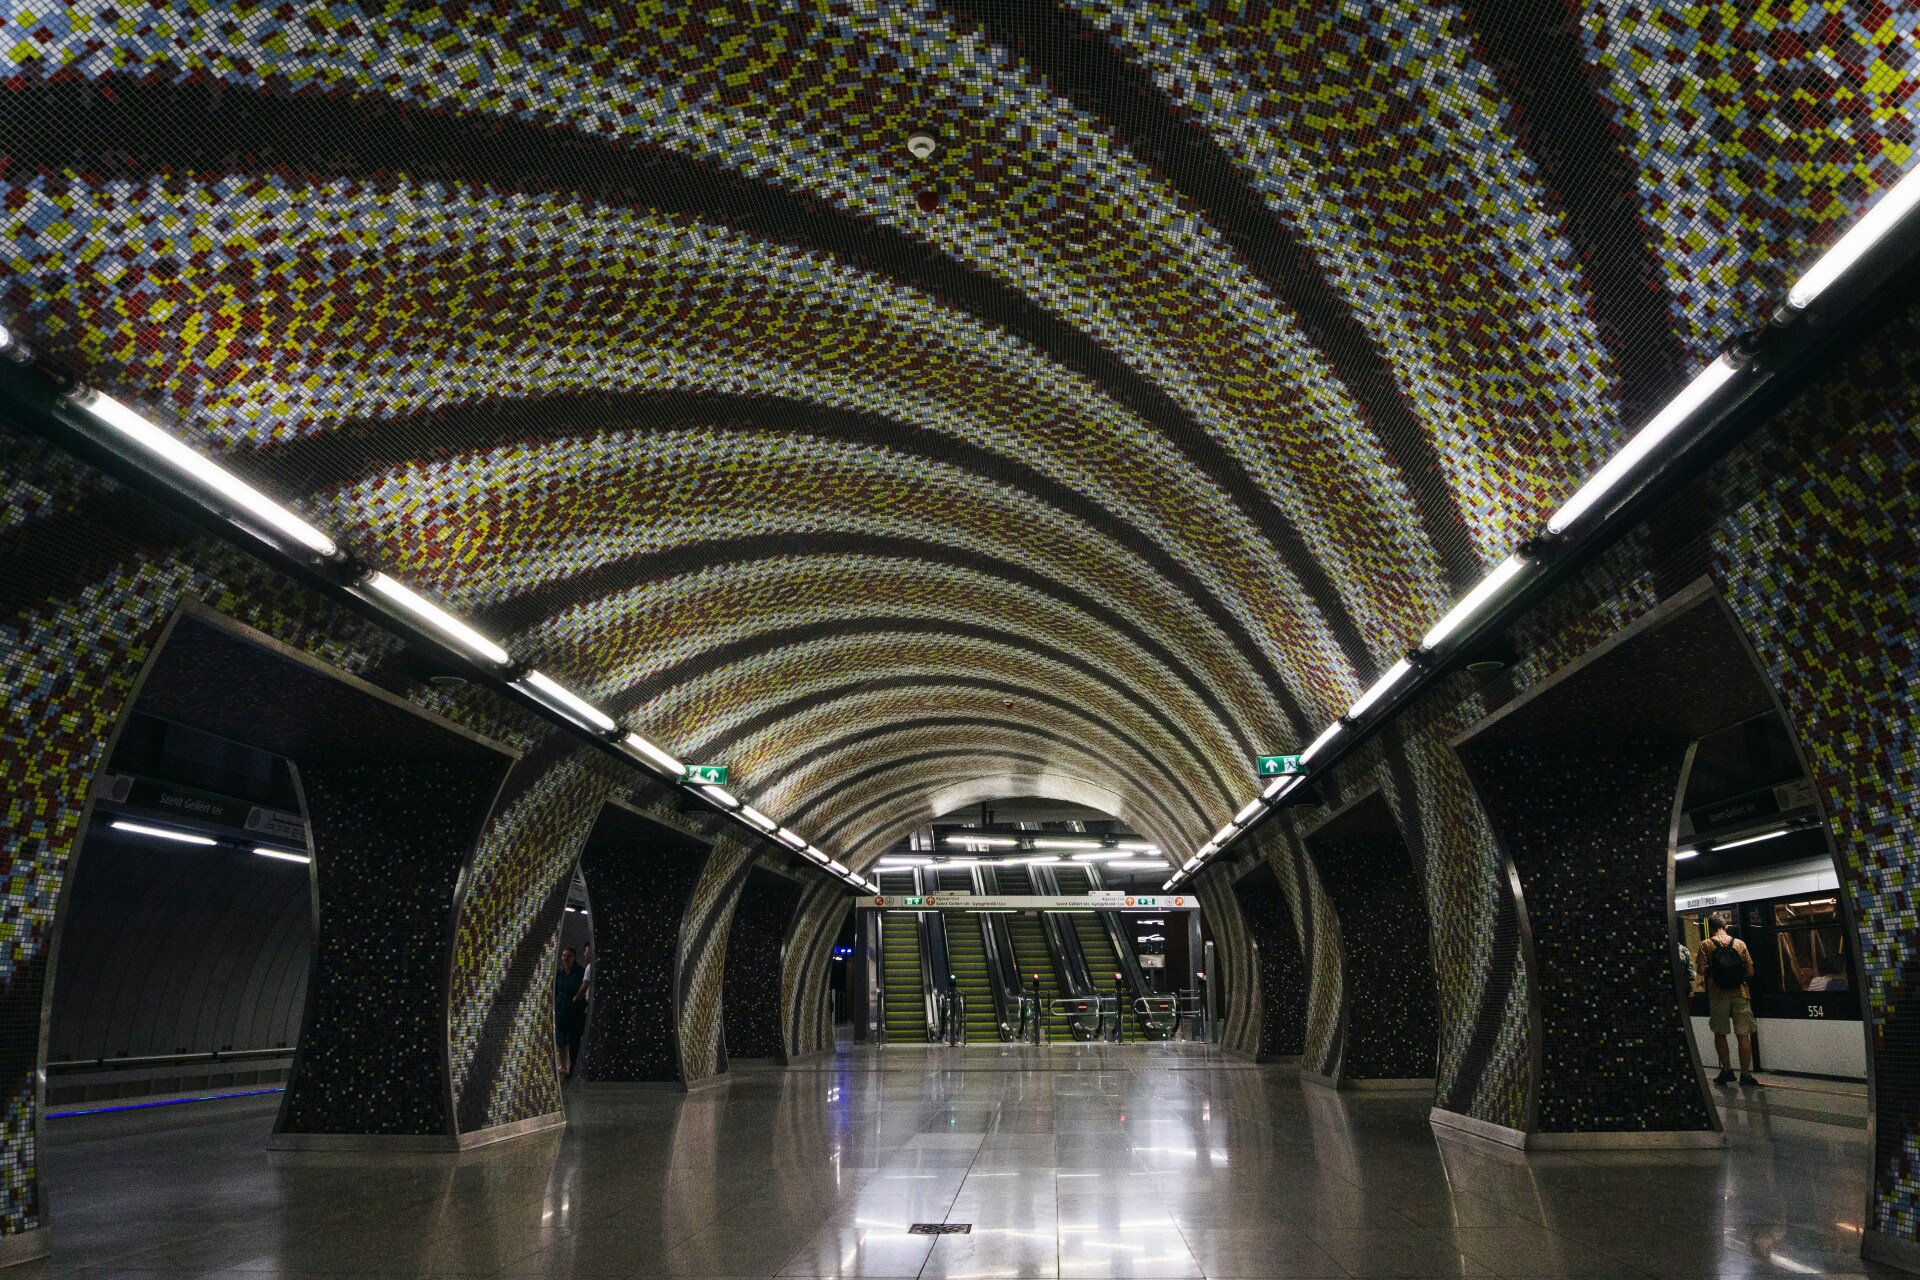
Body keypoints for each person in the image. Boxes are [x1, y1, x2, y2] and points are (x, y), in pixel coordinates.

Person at [1696, 914, 1760, 1086]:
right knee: (1743, 1034)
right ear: (1725, 926)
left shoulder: (1706, 944)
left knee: (1720, 1033)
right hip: (1741, 993)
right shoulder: (1740, 944)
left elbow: (1701, 971)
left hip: (1718, 994)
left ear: (1710, 928)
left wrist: (1712, 967)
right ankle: (1745, 1075)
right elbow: (1751, 971)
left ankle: (1727, 1071)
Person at [555, 946, 588, 1080]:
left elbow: (583, 988)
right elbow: (557, 990)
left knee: (574, 1040)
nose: (565, 958)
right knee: (561, 1039)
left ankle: (574, 1067)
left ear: (574, 957)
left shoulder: (580, 972)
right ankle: (564, 1065)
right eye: (563, 955)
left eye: (568, 956)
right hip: (561, 1008)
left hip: (575, 1010)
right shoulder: (560, 973)